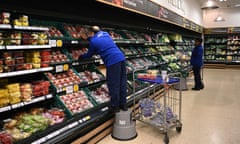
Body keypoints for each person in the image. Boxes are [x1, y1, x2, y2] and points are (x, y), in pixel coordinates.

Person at [79, 26, 127, 113]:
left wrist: (80, 57)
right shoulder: (105, 33)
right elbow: (105, 45)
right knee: (122, 82)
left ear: (88, 34)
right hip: (121, 58)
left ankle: (115, 107)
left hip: (112, 61)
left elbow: (89, 55)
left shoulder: (93, 41)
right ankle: (123, 105)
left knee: (114, 84)